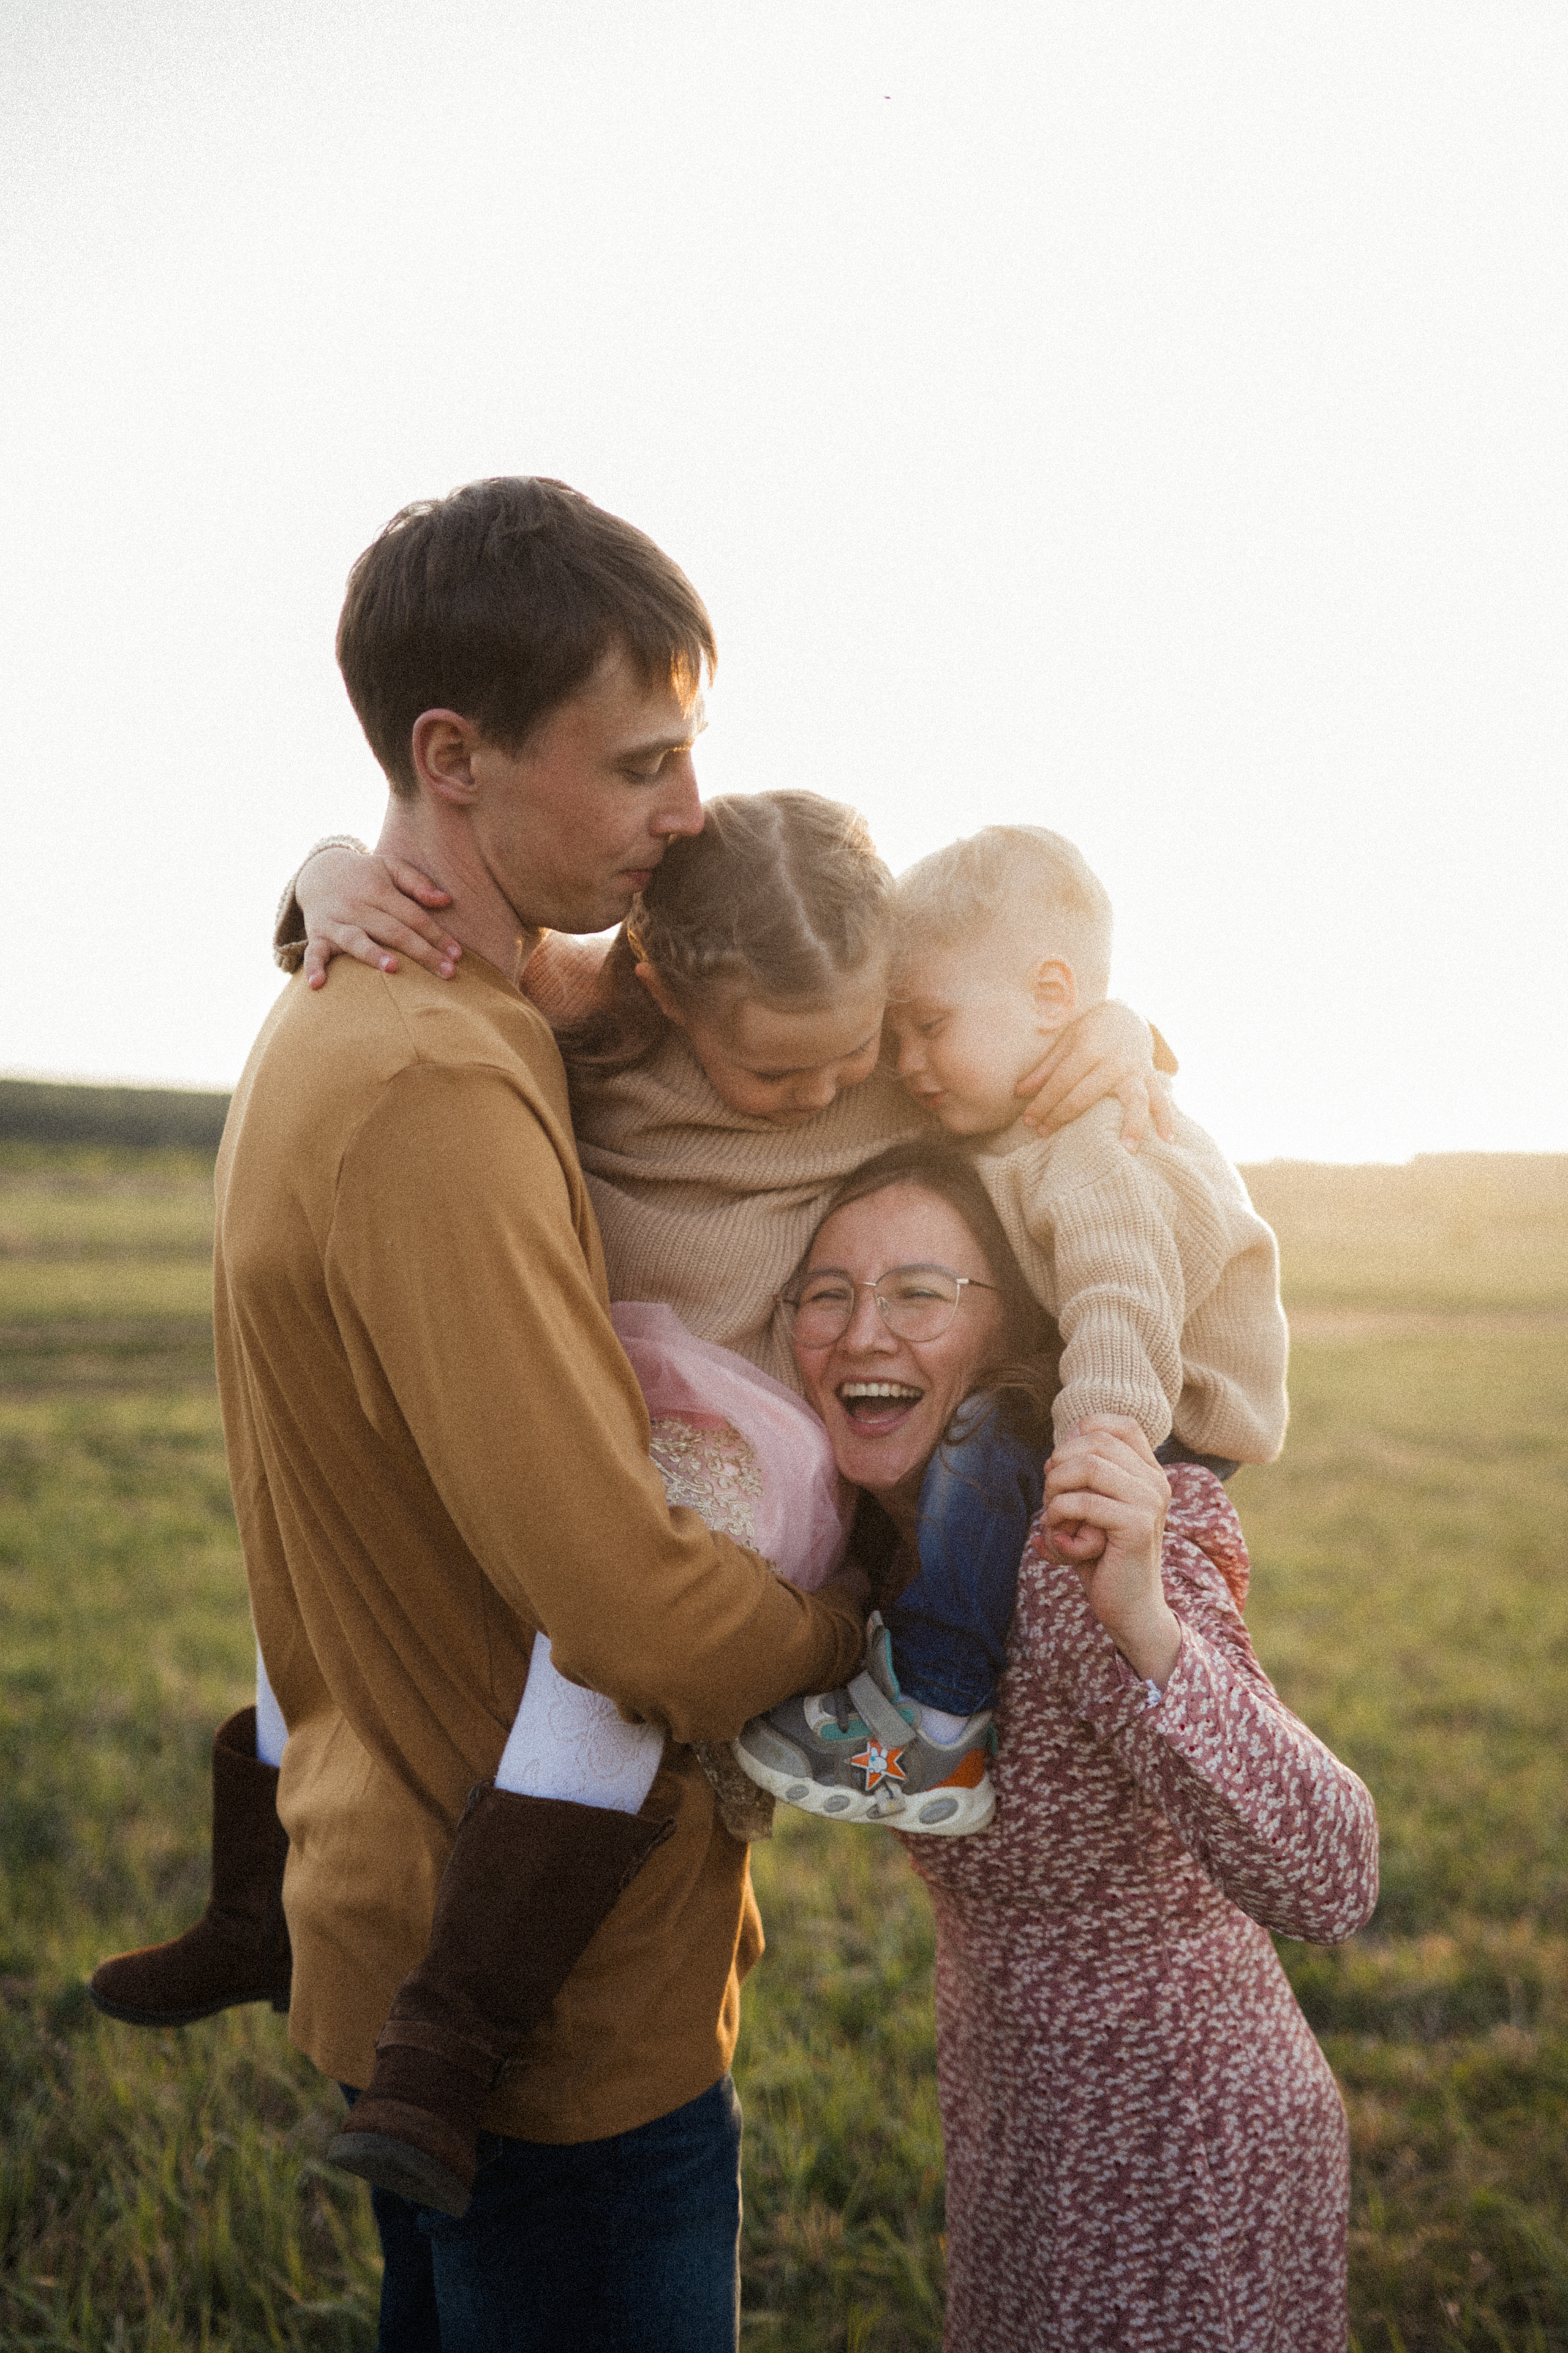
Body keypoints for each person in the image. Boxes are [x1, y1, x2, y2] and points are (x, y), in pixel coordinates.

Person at [97, 476, 876, 2352]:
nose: (687, 811)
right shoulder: (432, 1081)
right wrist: (849, 1635)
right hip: (550, 2019)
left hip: (398, 1874)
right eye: (639, 766)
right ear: (453, 757)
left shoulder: (374, 998)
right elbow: (621, 1593)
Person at [756, 1140, 1379, 2351]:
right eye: (826, 1293)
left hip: (1178, 2148)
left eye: (920, 1292)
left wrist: (1142, 1621)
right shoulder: (892, 1564)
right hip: (1018, 2128)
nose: (863, 1331)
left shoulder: (1062, 1557)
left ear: (1006, 1334)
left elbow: (1332, 1874)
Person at [738, 821, 1289, 1827]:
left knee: (984, 1441)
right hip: (1115, 1381)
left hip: (1172, 1402)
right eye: (894, 1033)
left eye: (930, 1025)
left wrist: (1102, 1442)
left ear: (1049, 999)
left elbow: (1122, 1295)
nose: (907, 1060)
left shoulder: (1091, 1131)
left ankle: (938, 1720)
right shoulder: (1016, 1105)